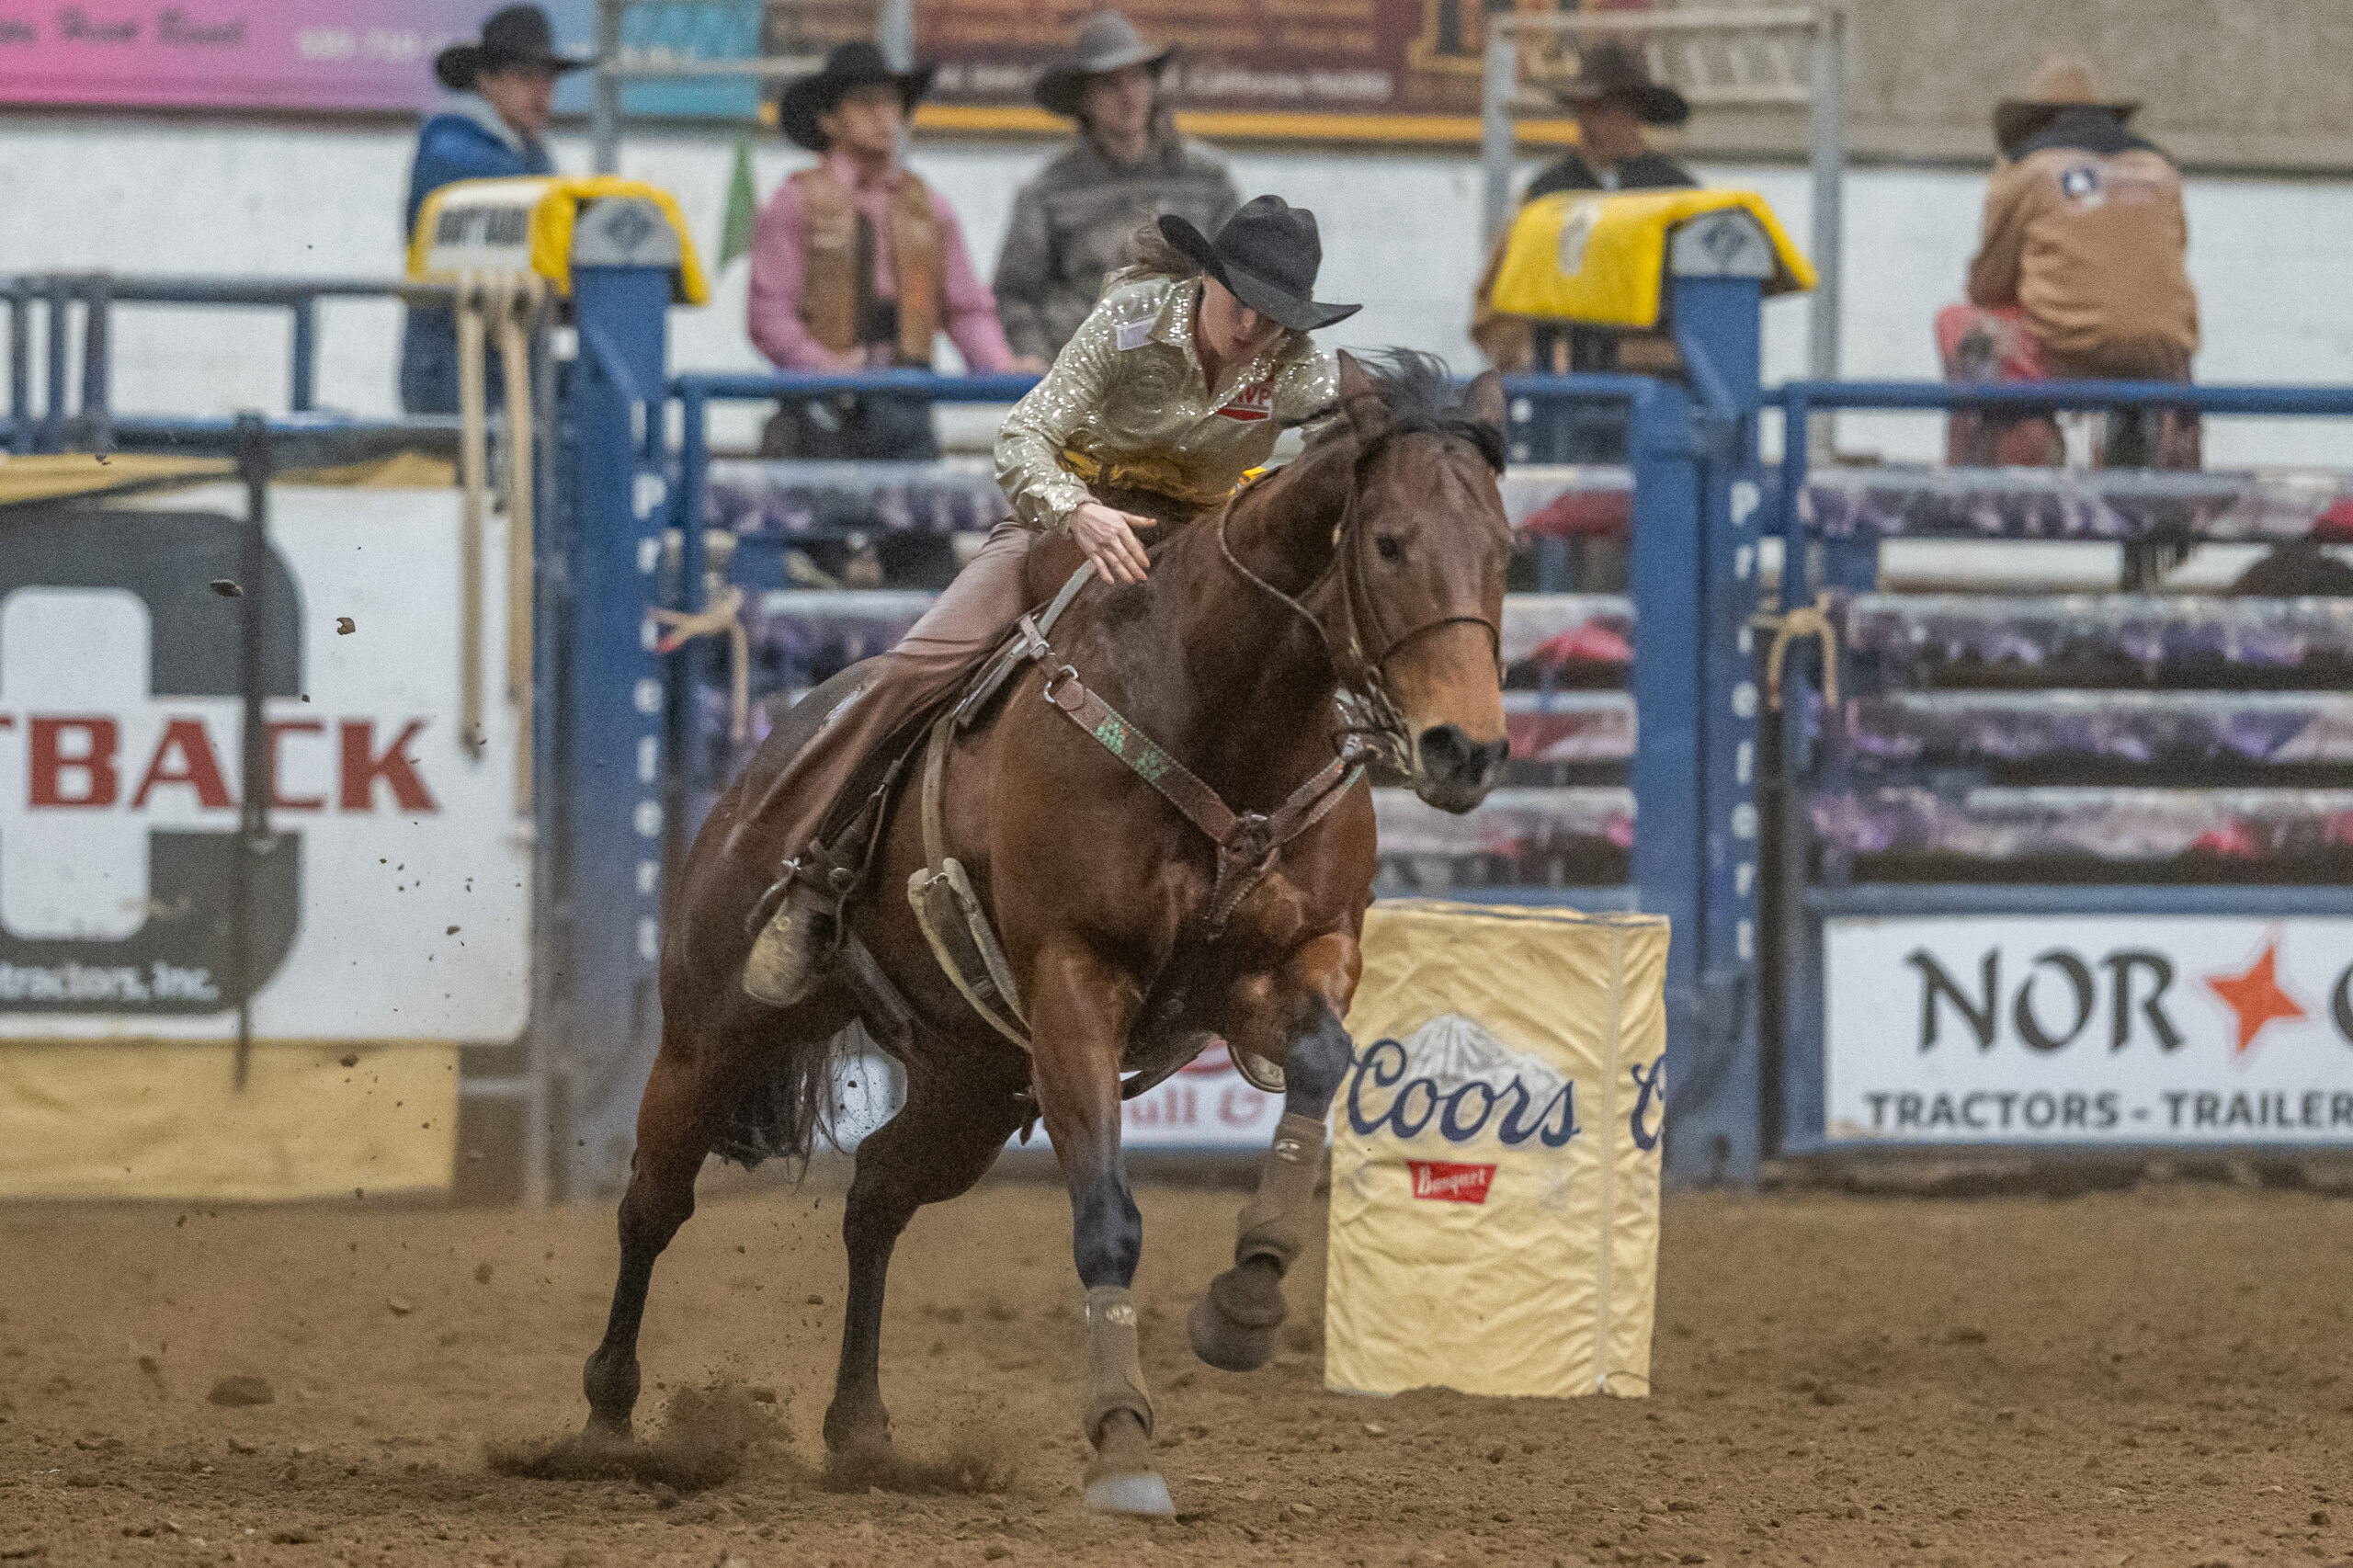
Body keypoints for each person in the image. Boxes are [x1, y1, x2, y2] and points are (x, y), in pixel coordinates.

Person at [739, 196, 1358, 1006]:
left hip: (1200, 551)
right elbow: (1023, 436)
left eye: (1274, 318)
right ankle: (817, 877)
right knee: (912, 672)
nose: (1251, 328)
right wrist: (1078, 510)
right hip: (1067, 522)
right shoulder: (1131, 321)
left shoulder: (1300, 369)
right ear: (1207, 279)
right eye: (1241, 303)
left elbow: (1366, 431)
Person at [748, 42, 1044, 460]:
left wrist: (998, 363)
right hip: (818, 406)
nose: (884, 116)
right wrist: (825, 367)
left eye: (891, 102)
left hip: (907, 403)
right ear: (829, 119)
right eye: (865, 103)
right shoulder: (795, 202)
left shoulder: (928, 207)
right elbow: (769, 317)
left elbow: (965, 308)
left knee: (916, 499)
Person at [1941, 56, 2200, 467]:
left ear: (2032, 121)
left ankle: (2012, 451)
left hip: (2066, 353)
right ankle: (2142, 442)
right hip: (2162, 359)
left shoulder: (2029, 169)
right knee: (2153, 326)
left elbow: (1988, 287)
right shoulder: (2160, 170)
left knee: (1958, 322)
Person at [993, 12, 1240, 363]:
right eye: (1110, 84)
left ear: (1153, 85)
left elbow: (1241, 282)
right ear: (1083, 99)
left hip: (1187, 372)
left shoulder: (1208, 181)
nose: (1128, 95)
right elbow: (1015, 293)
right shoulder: (1048, 192)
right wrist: (1040, 360)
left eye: (1137, 78)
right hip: (1084, 370)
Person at [399, 5, 587, 415]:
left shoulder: (530, 154)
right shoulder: (452, 151)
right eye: (525, 77)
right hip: (455, 371)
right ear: (486, 80)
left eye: (548, 79)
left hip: (504, 369)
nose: (541, 92)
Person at [1470, 42, 1696, 380]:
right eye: (1584, 108)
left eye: (1606, 108)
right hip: (1566, 378)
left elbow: (1704, 308)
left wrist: (1661, 356)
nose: (1591, 122)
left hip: (1656, 379)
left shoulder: (1677, 192)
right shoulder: (1547, 193)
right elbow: (1498, 300)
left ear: (1635, 110)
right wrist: (1527, 353)